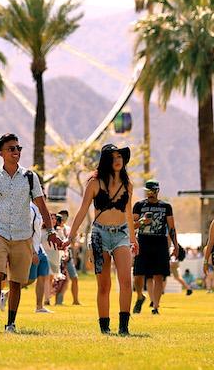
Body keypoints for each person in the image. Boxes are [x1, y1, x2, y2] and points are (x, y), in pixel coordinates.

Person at [0, 132, 58, 334]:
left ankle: (11, 323)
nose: (16, 152)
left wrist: (51, 231)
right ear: (1, 152)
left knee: (17, 281)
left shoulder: (29, 177)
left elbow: (41, 204)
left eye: (18, 148)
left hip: (23, 235)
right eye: (11, 149)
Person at [66, 143, 135, 335]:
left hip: (121, 234)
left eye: (120, 157)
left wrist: (134, 239)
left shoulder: (128, 185)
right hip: (99, 235)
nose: (118, 160)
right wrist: (70, 236)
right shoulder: (94, 183)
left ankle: (124, 327)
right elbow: (82, 211)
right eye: (113, 158)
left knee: (126, 281)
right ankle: (105, 328)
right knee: (104, 284)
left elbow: (128, 214)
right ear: (106, 161)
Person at [131, 180, 179, 315]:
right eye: (148, 191)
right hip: (143, 241)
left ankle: (156, 307)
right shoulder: (139, 206)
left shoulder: (166, 207)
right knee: (138, 274)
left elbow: (171, 228)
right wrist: (141, 222)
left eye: (152, 191)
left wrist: (176, 245)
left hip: (160, 242)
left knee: (159, 275)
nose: (150, 194)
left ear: (158, 191)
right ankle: (140, 296)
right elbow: (131, 226)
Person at [26, 202, 52, 314]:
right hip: (32, 249)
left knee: (43, 276)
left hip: (40, 248)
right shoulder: (30, 209)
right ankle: (6, 293)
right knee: (31, 279)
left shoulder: (40, 211)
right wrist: (32, 252)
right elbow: (28, 233)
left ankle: (39, 306)